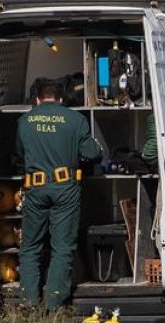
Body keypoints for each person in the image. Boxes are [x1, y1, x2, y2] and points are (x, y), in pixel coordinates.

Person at [14, 80, 103, 311]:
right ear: (61, 99)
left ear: (37, 99)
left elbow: (18, 155)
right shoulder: (75, 119)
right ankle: (54, 303)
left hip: (35, 189)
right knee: (62, 247)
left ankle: (29, 302)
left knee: (30, 247)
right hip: (65, 188)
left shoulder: (24, 121)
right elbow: (92, 153)